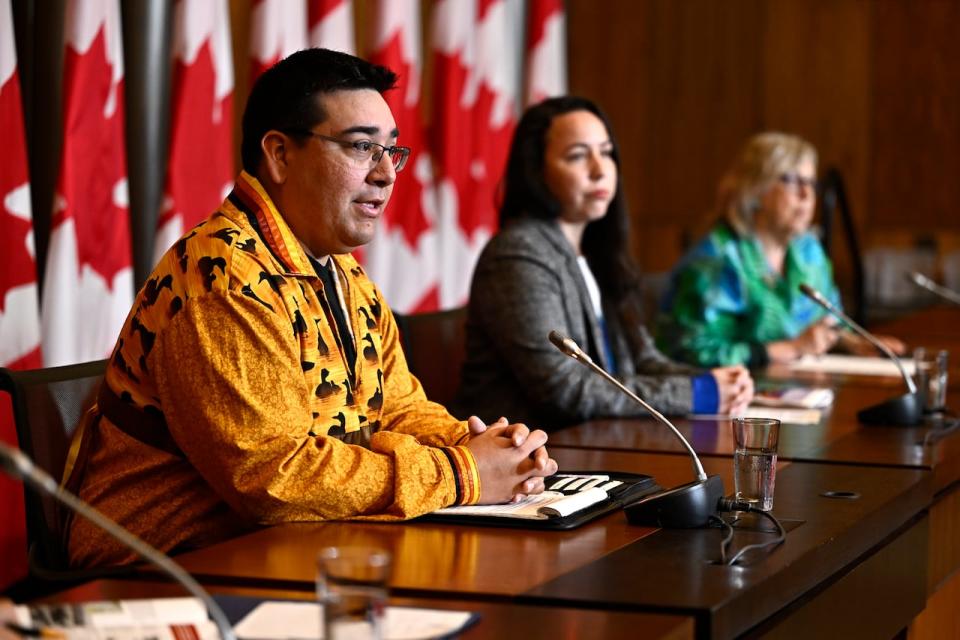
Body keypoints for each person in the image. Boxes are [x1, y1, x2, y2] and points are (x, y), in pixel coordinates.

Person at [64, 49, 557, 568]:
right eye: (363, 147)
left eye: (392, 151)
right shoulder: (225, 279)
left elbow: (396, 405)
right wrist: (460, 474)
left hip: (293, 550)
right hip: (164, 571)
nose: (387, 174)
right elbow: (273, 479)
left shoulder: (339, 269)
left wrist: (493, 450)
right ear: (279, 154)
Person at [454, 96, 753, 429]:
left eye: (607, 152)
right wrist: (697, 394)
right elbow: (565, 389)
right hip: (537, 456)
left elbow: (643, 360)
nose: (600, 170)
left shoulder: (597, 251)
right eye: (578, 156)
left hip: (599, 442)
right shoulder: (518, 255)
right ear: (536, 171)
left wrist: (716, 382)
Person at [657, 132, 906, 367]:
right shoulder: (718, 259)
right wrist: (792, 348)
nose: (806, 194)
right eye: (792, 180)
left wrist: (856, 344)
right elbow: (689, 351)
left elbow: (828, 323)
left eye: (811, 182)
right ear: (755, 189)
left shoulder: (808, 252)